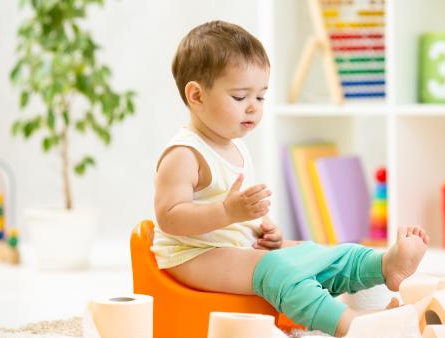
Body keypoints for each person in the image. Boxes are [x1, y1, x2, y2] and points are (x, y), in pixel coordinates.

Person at [152, 20, 429, 337]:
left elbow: (237, 210)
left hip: (235, 248)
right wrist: (229, 213)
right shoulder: (184, 155)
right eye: (241, 97)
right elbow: (169, 218)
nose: (254, 108)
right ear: (196, 96)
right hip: (192, 257)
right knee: (278, 270)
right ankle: (350, 324)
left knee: (315, 253)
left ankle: (384, 265)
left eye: (261, 97)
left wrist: (264, 227)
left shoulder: (234, 145)